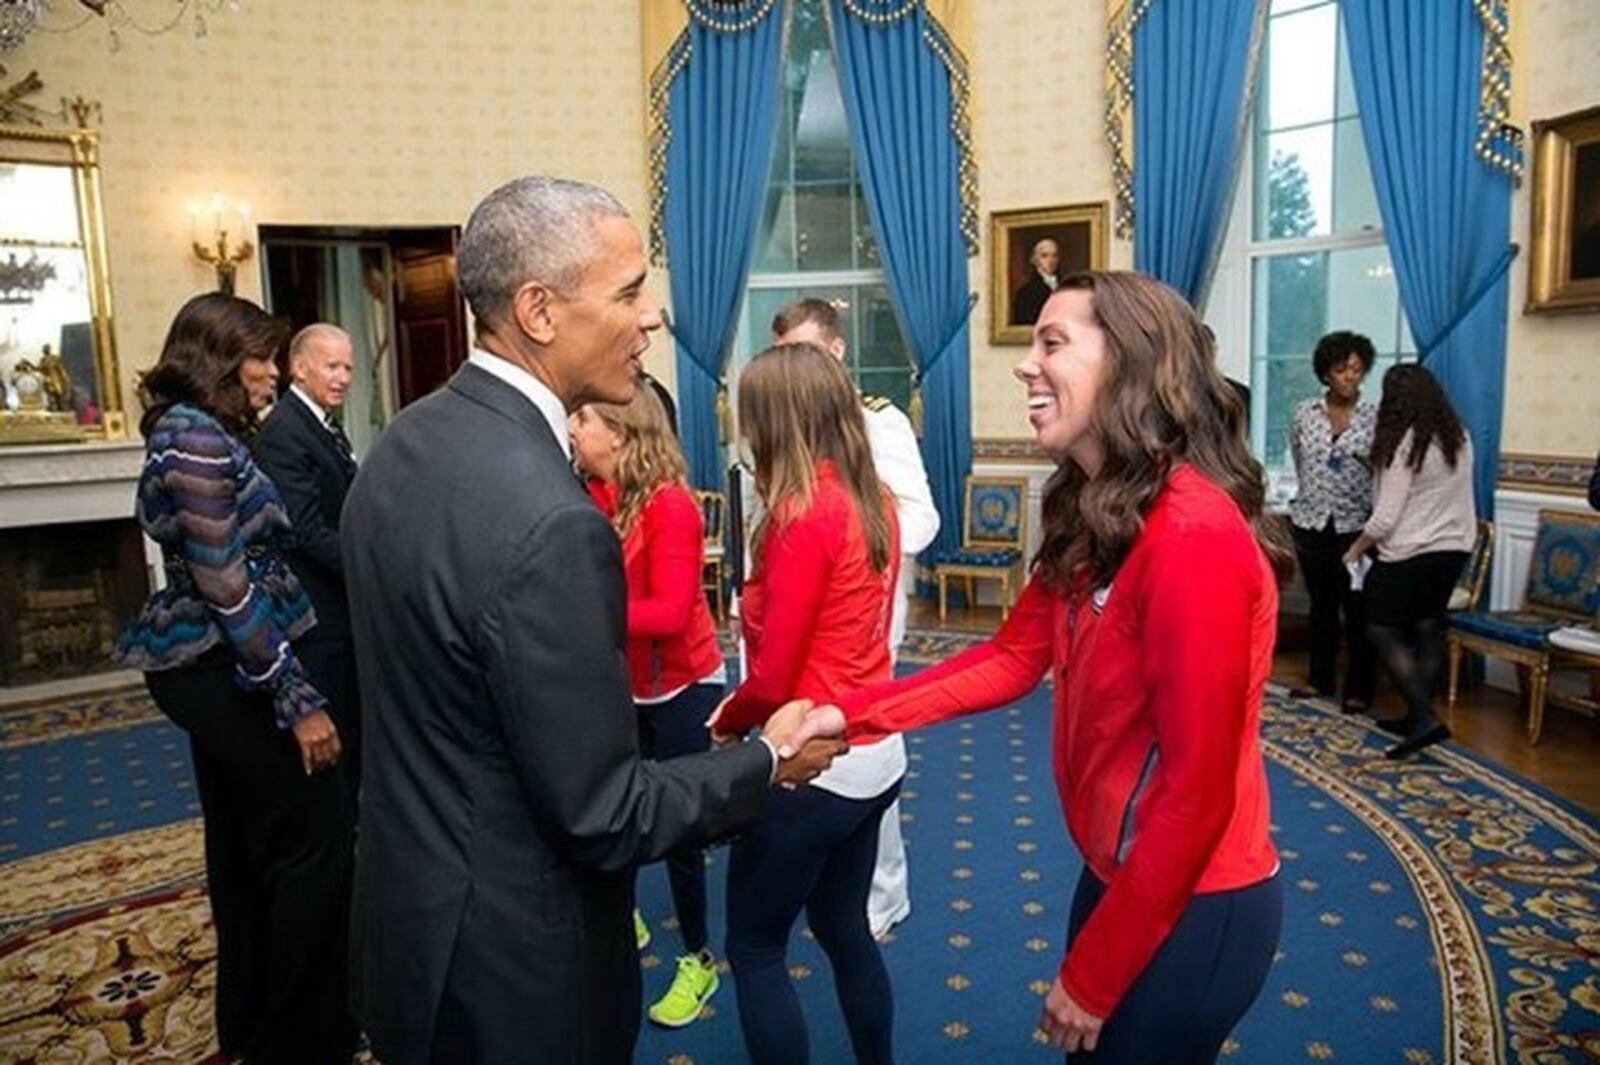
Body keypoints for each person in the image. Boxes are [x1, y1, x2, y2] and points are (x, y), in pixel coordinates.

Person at [339, 176, 847, 1064]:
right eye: (627, 291)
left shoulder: (401, 445)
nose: (651, 315)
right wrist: (765, 762)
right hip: (517, 973)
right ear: (538, 309)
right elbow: (604, 812)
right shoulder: (554, 521)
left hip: (405, 923)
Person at [805, 271, 1290, 1062]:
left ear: (1131, 362)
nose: (1026, 364)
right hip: (1120, 867)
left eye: (1052, 342)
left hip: (1202, 894)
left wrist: (1096, 977)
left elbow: (1198, 795)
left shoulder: (1193, 536)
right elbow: (1010, 657)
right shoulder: (1095, 505)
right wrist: (847, 714)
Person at [113, 293, 356, 1063]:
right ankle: (303, 1038)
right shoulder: (192, 433)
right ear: (221, 358)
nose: (271, 374)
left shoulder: (196, 427)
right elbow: (226, 580)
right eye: (261, 358)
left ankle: (253, 1025)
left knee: (246, 853)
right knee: (312, 850)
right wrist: (297, 698)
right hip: (234, 670)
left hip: (223, 667)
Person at [710, 342, 903, 1065]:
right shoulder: (870, 495)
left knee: (755, 946)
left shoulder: (802, 512)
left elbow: (775, 676)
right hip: (878, 750)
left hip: (815, 759)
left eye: (751, 417)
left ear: (778, 420)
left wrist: (727, 722)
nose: (745, 433)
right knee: (844, 924)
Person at [771, 296, 940, 939]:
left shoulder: (878, 422)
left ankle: (883, 896)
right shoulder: (787, 422)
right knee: (809, 747)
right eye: (784, 357)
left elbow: (921, 520)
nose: (795, 371)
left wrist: (851, 543)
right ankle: (828, 873)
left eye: (806, 356)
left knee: (865, 747)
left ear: (837, 353)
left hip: (861, 615)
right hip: (802, 609)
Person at [569, 386, 727, 1029]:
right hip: (624, 685)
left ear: (619, 431)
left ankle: (699, 960)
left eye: (582, 419)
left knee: (680, 835)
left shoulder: (671, 507)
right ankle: (623, 918)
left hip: (686, 686)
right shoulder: (596, 494)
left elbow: (665, 613)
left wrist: (580, 615)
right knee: (616, 811)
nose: (573, 429)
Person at [1342, 364, 1477, 760]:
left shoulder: (1403, 442)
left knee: (1380, 628)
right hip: (1454, 548)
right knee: (1428, 625)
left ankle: (1423, 717)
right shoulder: (1459, 437)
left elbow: (1385, 517)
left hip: (1408, 552)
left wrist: (1355, 548)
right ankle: (1414, 714)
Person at [252, 323, 362, 807]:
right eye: (332, 366)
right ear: (299, 367)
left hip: (339, 607)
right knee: (330, 746)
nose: (342, 378)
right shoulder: (284, 430)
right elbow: (304, 530)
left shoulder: (322, 422)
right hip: (315, 613)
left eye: (348, 368)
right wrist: (372, 567)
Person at [1288, 331, 1379, 714]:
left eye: (1357, 370)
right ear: (1326, 373)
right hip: (1311, 521)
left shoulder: (1374, 416)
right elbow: (1299, 458)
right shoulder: (1304, 413)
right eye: (1342, 370)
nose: (1350, 378)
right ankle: (1319, 679)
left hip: (1356, 526)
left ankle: (1358, 688)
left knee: (1357, 611)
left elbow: (1383, 469)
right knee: (1321, 607)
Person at [1012, 236, 1062, 325]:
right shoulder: (1025, 292)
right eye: (1044, 256)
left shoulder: (1066, 285)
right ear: (1034, 260)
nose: (1050, 260)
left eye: (1054, 256)